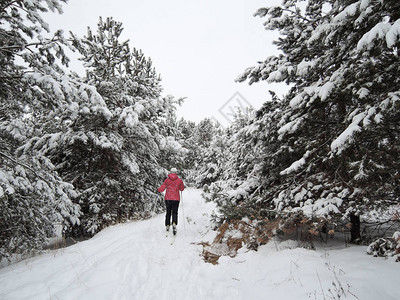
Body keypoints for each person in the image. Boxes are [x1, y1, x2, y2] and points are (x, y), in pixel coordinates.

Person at [157, 168, 185, 235]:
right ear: (176, 172)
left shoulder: (167, 180)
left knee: (168, 212)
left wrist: (158, 189)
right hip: (176, 199)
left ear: (170, 172)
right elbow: (182, 189)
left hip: (168, 199)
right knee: (175, 212)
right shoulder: (179, 180)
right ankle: (174, 223)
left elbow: (162, 188)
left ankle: (167, 225)